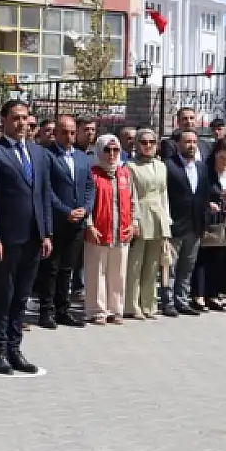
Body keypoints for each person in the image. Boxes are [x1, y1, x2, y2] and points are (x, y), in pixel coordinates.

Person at [0, 100, 52, 374]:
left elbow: (43, 195)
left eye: (25, 118)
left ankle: (15, 348)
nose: (22, 124)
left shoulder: (38, 153)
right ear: (4, 120)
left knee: (22, 297)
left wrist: (47, 233)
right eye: (16, 118)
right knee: (4, 295)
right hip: (7, 238)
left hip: (33, 236)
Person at [39, 115, 94, 328]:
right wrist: (65, 211)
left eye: (72, 133)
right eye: (64, 132)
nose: (69, 136)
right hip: (56, 221)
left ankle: (63, 309)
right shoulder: (47, 156)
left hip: (77, 222)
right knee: (51, 268)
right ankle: (46, 311)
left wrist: (86, 209)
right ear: (56, 133)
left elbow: (90, 187)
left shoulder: (82, 157)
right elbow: (46, 189)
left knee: (67, 268)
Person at [83, 134, 134, 325]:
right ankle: (97, 310)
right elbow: (86, 202)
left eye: (115, 150)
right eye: (107, 150)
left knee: (118, 273)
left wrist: (134, 224)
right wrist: (89, 225)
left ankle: (115, 310)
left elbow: (133, 200)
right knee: (96, 272)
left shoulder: (124, 173)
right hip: (98, 231)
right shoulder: (92, 173)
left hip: (121, 231)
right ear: (99, 151)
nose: (112, 154)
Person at [122, 129, 170, 320]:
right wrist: (134, 220)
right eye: (143, 142)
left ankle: (149, 304)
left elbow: (164, 193)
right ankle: (132, 305)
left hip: (158, 215)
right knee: (135, 264)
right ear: (137, 144)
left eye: (151, 142)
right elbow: (131, 195)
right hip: (140, 214)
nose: (148, 145)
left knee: (153, 264)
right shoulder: (130, 166)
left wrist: (167, 219)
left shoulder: (161, 165)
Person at [163, 129, 205, 315]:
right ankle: (168, 302)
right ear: (178, 144)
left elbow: (203, 195)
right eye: (187, 142)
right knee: (170, 267)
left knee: (187, 267)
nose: (191, 145)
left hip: (195, 226)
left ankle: (182, 300)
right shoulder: (168, 166)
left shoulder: (201, 167)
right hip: (175, 224)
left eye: (194, 142)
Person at [199, 137, 226, 310]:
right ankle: (200, 294)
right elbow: (200, 191)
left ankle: (215, 293)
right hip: (209, 218)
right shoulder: (206, 168)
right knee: (205, 257)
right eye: (222, 157)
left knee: (222, 257)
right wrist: (208, 203)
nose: (225, 162)